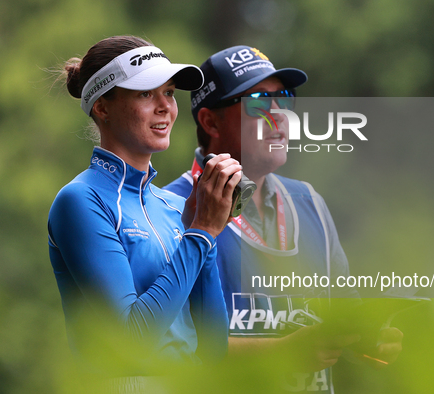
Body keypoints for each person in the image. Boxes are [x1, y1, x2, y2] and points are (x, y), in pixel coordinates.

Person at [164, 45, 403, 392]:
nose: (279, 116)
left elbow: (339, 323)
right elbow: (169, 349)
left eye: (284, 99)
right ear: (210, 121)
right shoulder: (169, 208)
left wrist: (371, 343)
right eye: (259, 101)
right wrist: (286, 352)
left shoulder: (312, 204)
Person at [47, 36, 242, 382]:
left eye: (168, 92)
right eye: (144, 93)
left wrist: (204, 234)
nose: (165, 106)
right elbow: (131, 340)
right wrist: (201, 234)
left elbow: (213, 349)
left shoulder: (174, 206)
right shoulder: (80, 200)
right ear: (102, 107)